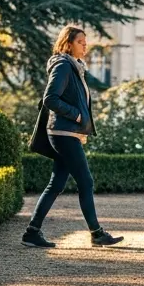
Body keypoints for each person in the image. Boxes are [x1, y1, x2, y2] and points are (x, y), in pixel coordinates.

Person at [22, 25, 124, 248]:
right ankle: (96, 233)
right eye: (81, 42)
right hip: (62, 132)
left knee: (56, 183)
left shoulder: (74, 67)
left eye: (86, 42)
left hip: (66, 132)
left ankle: (32, 232)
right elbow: (50, 98)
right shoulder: (63, 66)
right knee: (86, 181)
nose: (85, 46)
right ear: (68, 44)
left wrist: (79, 126)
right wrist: (77, 116)